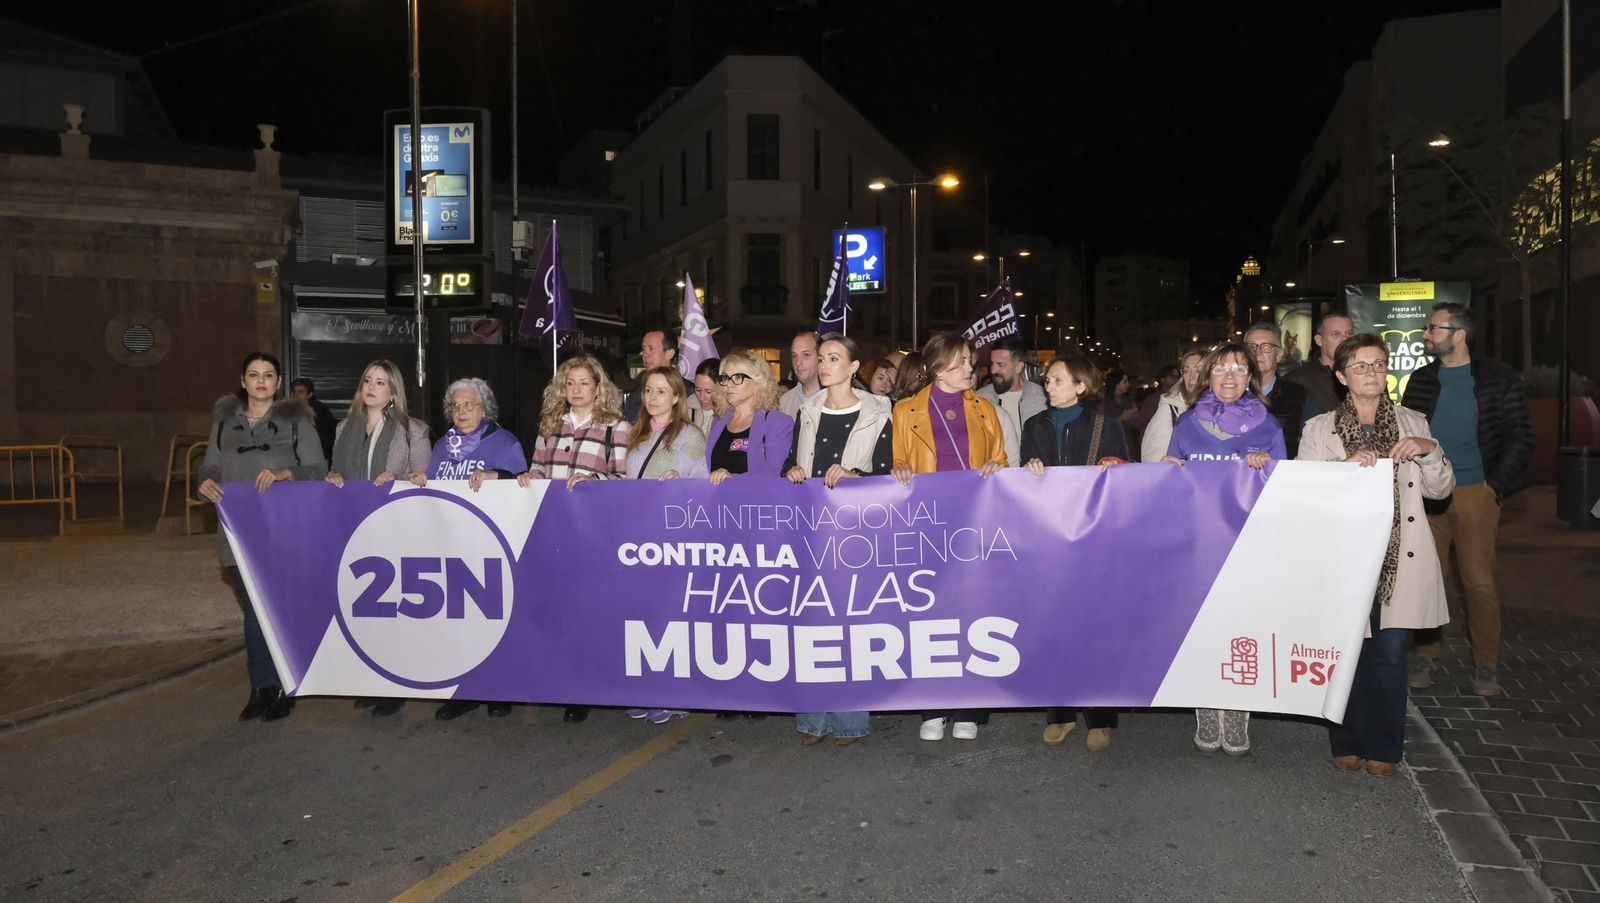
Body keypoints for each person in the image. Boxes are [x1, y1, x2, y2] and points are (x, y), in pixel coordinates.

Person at [1299, 333, 1454, 776]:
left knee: (1388, 655)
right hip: (1342, 556)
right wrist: (1340, 468)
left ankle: (1385, 747)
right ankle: (1345, 738)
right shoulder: (1319, 428)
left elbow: (1440, 491)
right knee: (1345, 652)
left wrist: (1430, 451)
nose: (1371, 372)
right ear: (1341, 374)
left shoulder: (1412, 422)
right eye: (1361, 366)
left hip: (1397, 557)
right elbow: (1303, 492)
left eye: (1378, 364)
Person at [1402, 302, 1535, 697]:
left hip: (1477, 492)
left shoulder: (1499, 378)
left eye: (1433, 328)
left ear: (1459, 334)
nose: (1426, 334)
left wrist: (1495, 485)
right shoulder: (1422, 379)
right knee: (1428, 579)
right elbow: (1405, 429)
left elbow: (1521, 436)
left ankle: (1487, 666)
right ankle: (1427, 655)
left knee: (1478, 583)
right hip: (1428, 494)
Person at [1161, 342, 1285, 756]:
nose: (1229, 376)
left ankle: (1237, 712)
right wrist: (1165, 470)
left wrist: (1268, 468)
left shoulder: (1270, 427)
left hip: (1247, 546)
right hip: (1195, 547)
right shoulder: (1186, 425)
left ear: (1250, 377)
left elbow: (1287, 491)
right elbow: (1168, 486)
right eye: (1220, 369)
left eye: (1238, 368)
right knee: (1200, 630)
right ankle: (1206, 709)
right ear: (1206, 377)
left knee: (1240, 631)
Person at [198, 352, 328, 723]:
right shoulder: (225, 421)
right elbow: (211, 465)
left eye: (268, 375)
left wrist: (286, 471)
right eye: (253, 375)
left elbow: (318, 468)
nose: (260, 381)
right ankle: (266, 686)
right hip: (237, 531)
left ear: (278, 381)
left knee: (267, 609)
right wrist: (203, 482)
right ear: (242, 381)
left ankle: (274, 687)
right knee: (256, 610)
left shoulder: (296, 421)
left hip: (282, 529)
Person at [890, 333, 1007, 741]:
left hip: (975, 524)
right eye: (960, 363)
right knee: (929, 615)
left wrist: (997, 466)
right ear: (938, 368)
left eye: (970, 362)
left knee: (974, 613)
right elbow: (898, 461)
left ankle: (970, 707)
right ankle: (932, 707)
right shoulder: (905, 411)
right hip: (927, 526)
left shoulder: (985, 409)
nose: (969, 370)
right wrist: (901, 469)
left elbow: (1003, 461)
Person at [781, 333, 892, 746]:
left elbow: (887, 471)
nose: (823, 365)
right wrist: (792, 472)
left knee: (850, 626)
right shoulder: (806, 412)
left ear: (853, 368)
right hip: (811, 530)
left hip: (856, 532)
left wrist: (854, 476)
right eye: (821, 358)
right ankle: (812, 718)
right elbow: (794, 463)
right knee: (810, 623)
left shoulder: (881, 413)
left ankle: (849, 720)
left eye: (833, 358)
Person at [1020, 354, 1129, 752]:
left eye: (1057, 380)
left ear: (1081, 385)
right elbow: (1021, 483)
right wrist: (1027, 469)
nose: (1048, 386)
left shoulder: (1108, 425)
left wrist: (1114, 468)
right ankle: (1060, 714)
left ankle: (1101, 717)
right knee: (1052, 628)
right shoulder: (1034, 425)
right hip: (1048, 539)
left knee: (1096, 630)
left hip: (1094, 540)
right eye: (1047, 381)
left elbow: (1125, 479)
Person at [406, 377, 526, 721]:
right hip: (449, 545)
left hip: (491, 547)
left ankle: (500, 689)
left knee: (495, 620)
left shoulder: (505, 443)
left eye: (469, 404)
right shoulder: (443, 445)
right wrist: (420, 478)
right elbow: (433, 483)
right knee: (458, 622)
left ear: (484, 408)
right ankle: (465, 691)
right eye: (455, 406)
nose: (461, 411)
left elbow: (526, 487)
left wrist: (497, 475)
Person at [325, 359, 432, 719]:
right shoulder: (344, 428)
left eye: (381, 382)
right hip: (353, 529)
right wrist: (333, 479)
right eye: (367, 380)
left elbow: (424, 478)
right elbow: (334, 472)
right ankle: (371, 680)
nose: (371, 387)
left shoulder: (412, 430)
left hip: (395, 531)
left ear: (393, 392)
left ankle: (395, 686)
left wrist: (401, 477)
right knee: (364, 612)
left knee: (393, 613)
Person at [618, 366, 708, 725]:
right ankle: (643, 687)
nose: (652, 398)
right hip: (637, 535)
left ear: (676, 397)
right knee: (641, 615)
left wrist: (677, 479)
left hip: (672, 540)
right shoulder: (634, 433)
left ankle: (669, 692)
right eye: (648, 391)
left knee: (670, 616)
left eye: (660, 391)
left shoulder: (690, 436)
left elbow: (698, 483)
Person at [707, 349, 795, 485]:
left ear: (757, 382)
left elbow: (775, 473)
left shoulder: (777, 422)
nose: (729, 384)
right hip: (718, 504)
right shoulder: (718, 422)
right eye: (725, 378)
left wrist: (733, 480)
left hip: (757, 503)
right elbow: (707, 471)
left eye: (737, 377)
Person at [977, 336, 1047, 467]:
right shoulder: (980, 399)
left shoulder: (1043, 399)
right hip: (994, 478)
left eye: (1000, 365)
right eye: (992, 363)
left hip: (1033, 477)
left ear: (1019, 367)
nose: (993, 370)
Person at [1244, 321, 1308, 458]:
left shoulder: (1301, 396)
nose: (1257, 352)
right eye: (1251, 347)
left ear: (1279, 355)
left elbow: (1310, 450)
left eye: (1266, 346)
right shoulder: (1227, 396)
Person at [1285, 309, 1357, 423]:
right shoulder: (1298, 380)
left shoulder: (1367, 374)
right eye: (1336, 334)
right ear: (1319, 340)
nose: (1345, 340)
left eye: (1349, 333)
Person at [1140, 351, 1204, 464]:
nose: (1191, 377)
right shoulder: (1171, 408)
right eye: (1186, 371)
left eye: (1198, 370)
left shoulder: (1224, 407)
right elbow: (1153, 458)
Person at [623, 331, 695, 422]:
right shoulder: (636, 396)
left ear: (669, 353)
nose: (645, 354)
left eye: (651, 349)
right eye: (644, 349)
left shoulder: (687, 391)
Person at [290, 377, 337, 462]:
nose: (296, 396)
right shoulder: (288, 411)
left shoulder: (320, 411)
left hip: (318, 458)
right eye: (294, 392)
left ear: (309, 394)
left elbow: (329, 436)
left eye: (301, 392)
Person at [778, 331, 824, 418]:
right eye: (794, 356)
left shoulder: (837, 399)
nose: (798, 363)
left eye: (806, 355)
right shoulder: (783, 403)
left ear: (820, 358)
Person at [690, 357, 721, 435]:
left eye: (708, 391)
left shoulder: (730, 414)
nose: (702, 397)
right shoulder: (687, 407)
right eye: (698, 390)